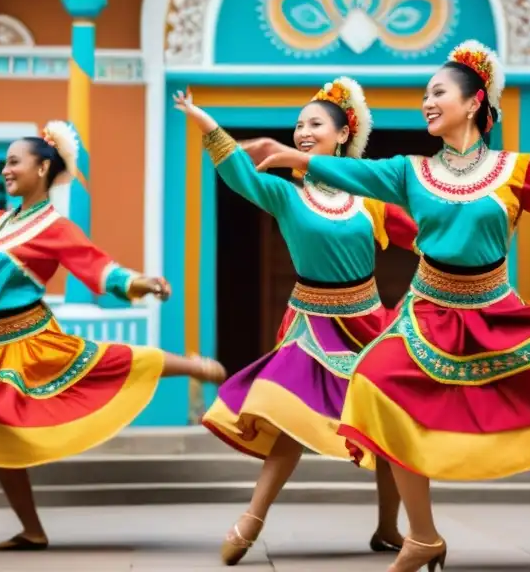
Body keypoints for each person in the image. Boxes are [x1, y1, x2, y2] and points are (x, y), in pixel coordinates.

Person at [252, 40, 530, 572]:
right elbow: (353, 175)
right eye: (425, 94)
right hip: (425, 310)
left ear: (473, 103)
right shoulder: (410, 171)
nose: (426, 101)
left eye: (438, 92)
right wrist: (293, 157)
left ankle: (422, 527)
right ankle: (421, 535)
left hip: (493, 311)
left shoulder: (515, 170)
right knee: (375, 383)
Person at [0, 121, 226, 552]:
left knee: (112, 362)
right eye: (4, 163)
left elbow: (97, 267)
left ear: (40, 169)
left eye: (13, 162)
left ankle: (191, 365)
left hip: (34, 339)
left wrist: (141, 283)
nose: (4, 170)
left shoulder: (54, 226)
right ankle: (32, 530)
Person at [174, 78, 418, 566]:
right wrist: (208, 125)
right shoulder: (288, 196)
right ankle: (251, 519)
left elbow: (426, 239)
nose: (303, 132)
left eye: (315, 124)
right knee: (289, 419)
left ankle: (390, 527)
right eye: (298, 125)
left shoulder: (370, 199)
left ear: (342, 133)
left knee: (389, 425)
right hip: (312, 325)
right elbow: (241, 175)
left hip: (369, 326)